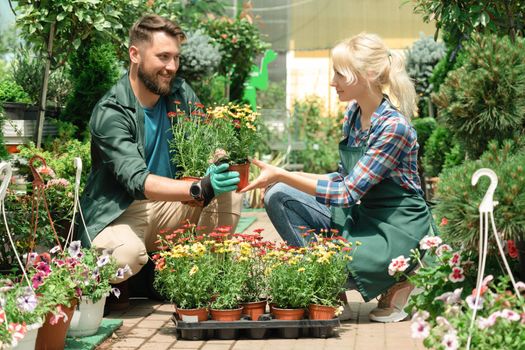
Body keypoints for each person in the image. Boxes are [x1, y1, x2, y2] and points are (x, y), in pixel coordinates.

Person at [242, 33, 435, 323]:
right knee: (278, 195)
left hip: (395, 230)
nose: (332, 82)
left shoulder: (394, 127)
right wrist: (282, 178)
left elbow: (346, 193)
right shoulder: (354, 114)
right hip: (363, 216)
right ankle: (331, 288)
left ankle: (401, 270)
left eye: (339, 74)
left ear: (367, 74)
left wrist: (283, 173)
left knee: (282, 186)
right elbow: (342, 177)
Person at [77, 14, 242, 297]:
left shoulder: (180, 94)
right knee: (124, 258)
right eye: (163, 57)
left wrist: (220, 160)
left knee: (231, 195)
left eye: (176, 58)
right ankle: (131, 276)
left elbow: (206, 141)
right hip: (123, 210)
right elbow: (137, 181)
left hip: (171, 204)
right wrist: (197, 186)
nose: (172, 67)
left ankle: (188, 274)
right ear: (135, 55)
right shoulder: (112, 111)